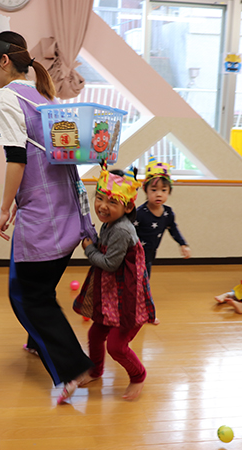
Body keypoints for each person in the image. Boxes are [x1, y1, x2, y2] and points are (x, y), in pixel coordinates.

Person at [0, 20, 95, 405]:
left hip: (43, 221)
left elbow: (17, 158)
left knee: (28, 296)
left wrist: (3, 209)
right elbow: (45, 159)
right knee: (40, 289)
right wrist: (19, 199)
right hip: (69, 216)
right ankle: (37, 342)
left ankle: (72, 369)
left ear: (3, 62)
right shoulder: (43, 96)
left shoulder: (5, 98)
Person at [74, 168, 156, 401]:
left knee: (116, 346)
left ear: (128, 207)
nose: (102, 206)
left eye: (112, 201)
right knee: (95, 333)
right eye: (100, 198)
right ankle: (95, 370)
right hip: (113, 293)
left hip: (127, 297)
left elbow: (109, 264)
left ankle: (138, 375)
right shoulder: (110, 222)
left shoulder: (121, 229)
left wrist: (89, 249)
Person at [134, 156, 191, 278]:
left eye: (163, 190)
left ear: (169, 191)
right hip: (133, 256)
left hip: (149, 256)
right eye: (154, 190)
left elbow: (173, 229)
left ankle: (144, 290)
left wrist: (183, 244)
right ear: (146, 190)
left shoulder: (168, 213)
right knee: (134, 280)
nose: (158, 194)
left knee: (145, 279)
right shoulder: (140, 213)